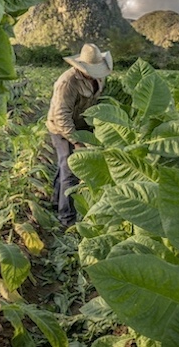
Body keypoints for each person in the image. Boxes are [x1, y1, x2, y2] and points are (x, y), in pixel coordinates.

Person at [46, 43, 113, 228]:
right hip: (61, 129)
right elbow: (61, 116)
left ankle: (55, 201)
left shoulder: (98, 79)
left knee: (64, 167)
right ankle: (66, 219)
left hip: (82, 126)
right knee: (70, 170)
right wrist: (77, 141)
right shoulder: (67, 83)